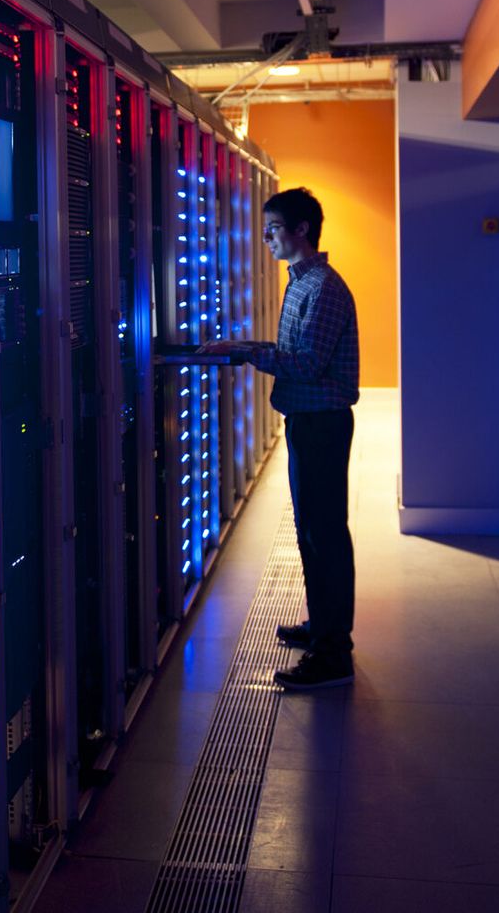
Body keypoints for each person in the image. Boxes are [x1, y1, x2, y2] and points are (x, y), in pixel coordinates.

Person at [202, 187, 359, 689]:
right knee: (311, 532)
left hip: (322, 424)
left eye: (272, 228)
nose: (265, 237)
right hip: (306, 422)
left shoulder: (323, 289)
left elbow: (308, 364)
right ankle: (323, 627)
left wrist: (245, 351)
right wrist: (244, 346)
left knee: (325, 534)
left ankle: (335, 654)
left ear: (301, 231)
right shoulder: (300, 283)